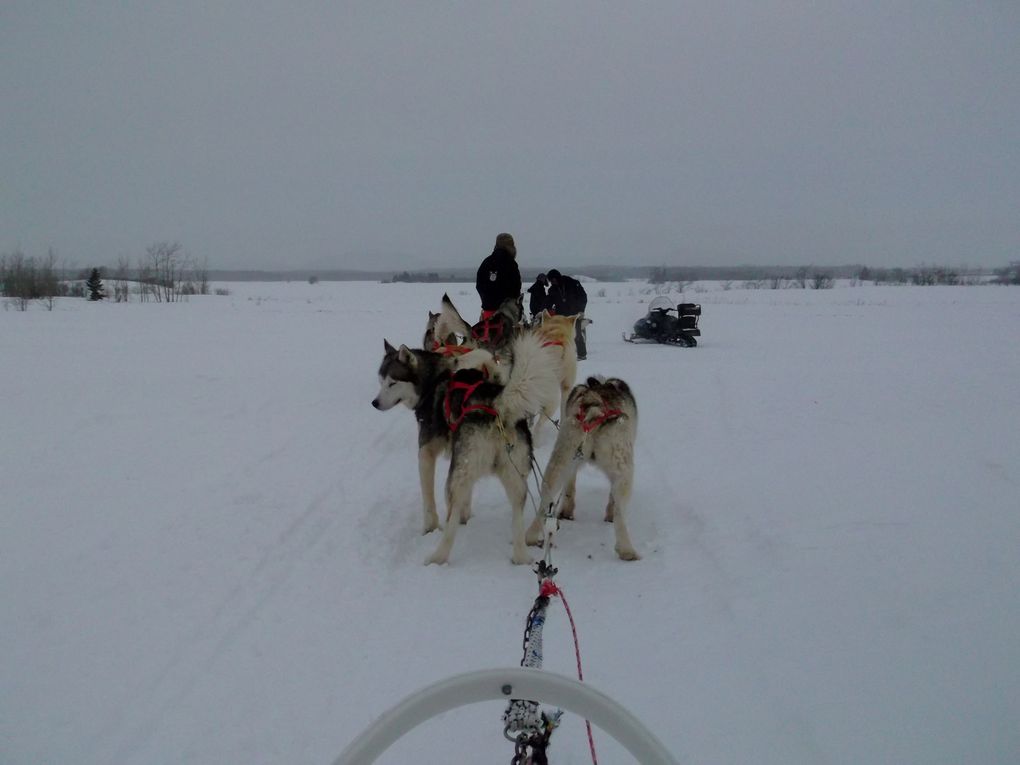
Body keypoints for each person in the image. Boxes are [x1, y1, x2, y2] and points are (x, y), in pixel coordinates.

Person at [475, 233, 522, 319]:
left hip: (488, 311)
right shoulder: (511, 263)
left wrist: (487, 301)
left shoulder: (486, 262)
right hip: (507, 314)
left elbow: (479, 285)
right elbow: (516, 287)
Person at [546, 269, 588, 359]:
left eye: (553, 280)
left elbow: (583, 297)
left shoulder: (573, 283)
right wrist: (543, 311)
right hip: (561, 316)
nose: (552, 283)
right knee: (562, 336)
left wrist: (581, 310)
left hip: (575, 315)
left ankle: (582, 355)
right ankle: (564, 355)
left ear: (557, 277)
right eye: (550, 281)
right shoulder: (552, 289)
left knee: (577, 335)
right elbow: (548, 302)